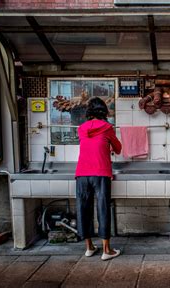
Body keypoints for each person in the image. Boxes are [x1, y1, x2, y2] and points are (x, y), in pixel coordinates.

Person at [75, 97, 122, 261]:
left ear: (89, 111)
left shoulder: (81, 129)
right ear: (103, 111)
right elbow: (118, 149)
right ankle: (106, 250)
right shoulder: (108, 127)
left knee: (83, 208)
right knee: (102, 208)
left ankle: (89, 247)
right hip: (100, 173)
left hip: (81, 173)